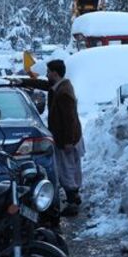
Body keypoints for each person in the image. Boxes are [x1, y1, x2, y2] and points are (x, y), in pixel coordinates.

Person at [16, 60, 84, 216]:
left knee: (67, 170)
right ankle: (74, 197)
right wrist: (22, 82)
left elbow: (70, 120)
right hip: (69, 137)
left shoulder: (64, 93)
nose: (46, 75)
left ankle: (72, 201)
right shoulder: (59, 86)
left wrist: (68, 142)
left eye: (48, 72)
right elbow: (44, 85)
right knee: (70, 168)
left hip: (68, 138)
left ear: (55, 73)